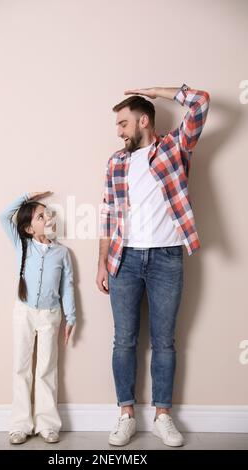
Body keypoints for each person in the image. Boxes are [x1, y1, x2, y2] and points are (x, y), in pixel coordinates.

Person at [96, 84, 210, 447]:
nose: (119, 131)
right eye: (118, 125)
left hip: (167, 258)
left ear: (143, 120)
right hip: (124, 259)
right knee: (123, 341)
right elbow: (108, 214)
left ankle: (163, 415)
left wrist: (155, 91)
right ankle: (126, 415)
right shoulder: (116, 162)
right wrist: (102, 262)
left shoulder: (175, 149)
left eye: (123, 123)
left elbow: (201, 101)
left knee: (164, 342)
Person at [0, 191, 76, 445]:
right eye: (41, 215)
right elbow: (3, 216)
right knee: (21, 368)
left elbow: (68, 286)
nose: (48, 217)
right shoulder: (22, 245)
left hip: (50, 316)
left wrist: (71, 317)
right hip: (24, 312)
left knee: (46, 369)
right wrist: (27, 197)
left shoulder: (62, 253)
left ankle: (47, 424)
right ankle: (20, 424)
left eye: (47, 214)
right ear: (29, 228)